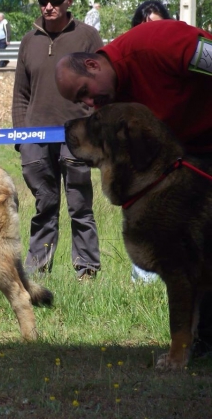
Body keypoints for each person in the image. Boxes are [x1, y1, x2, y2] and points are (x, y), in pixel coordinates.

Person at [55, 19, 212, 359]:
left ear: (94, 65)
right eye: (81, 103)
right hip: (191, 157)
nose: (89, 104)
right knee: (195, 256)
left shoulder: (157, 43)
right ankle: (199, 344)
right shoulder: (113, 102)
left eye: (84, 91)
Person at [12, 0, 102, 280]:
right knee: (44, 205)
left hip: (77, 136)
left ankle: (87, 269)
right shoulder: (28, 40)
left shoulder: (88, 37)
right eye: (42, 1)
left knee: (80, 206)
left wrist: (94, 131)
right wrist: (21, 139)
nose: (48, 7)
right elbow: (20, 95)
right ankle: (37, 270)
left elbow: (101, 88)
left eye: (56, 1)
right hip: (35, 138)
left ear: (69, 1)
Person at [128, 0, 171, 283]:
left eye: (155, 27)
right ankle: (144, 280)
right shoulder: (126, 65)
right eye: (143, 29)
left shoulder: (184, 55)